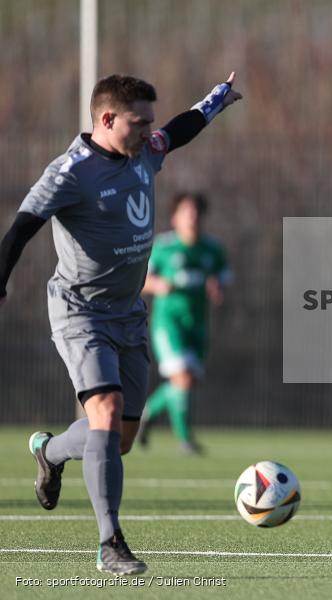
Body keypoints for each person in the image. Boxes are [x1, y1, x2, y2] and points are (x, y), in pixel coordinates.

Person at [0, 72, 242, 573]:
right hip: (80, 311)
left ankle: (49, 450)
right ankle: (110, 543)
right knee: (105, 411)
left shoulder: (143, 152)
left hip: (129, 314)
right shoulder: (70, 172)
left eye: (149, 121)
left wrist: (214, 102)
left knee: (118, 438)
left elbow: (179, 130)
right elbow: (22, 226)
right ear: (107, 119)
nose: (149, 131)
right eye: (139, 122)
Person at [139, 192, 231, 454]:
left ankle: (149, 412)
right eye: (186, 212)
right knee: (183, 378)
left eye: (196, 212)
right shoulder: (164, 246)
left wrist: (217, 288)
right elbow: (141, 280)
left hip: (198, 324)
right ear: (175, 217)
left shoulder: (212, 249)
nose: (192, 217)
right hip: (169, 323)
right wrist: (157, 285)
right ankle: (185, 440)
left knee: (186, 382)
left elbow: (222, 278)